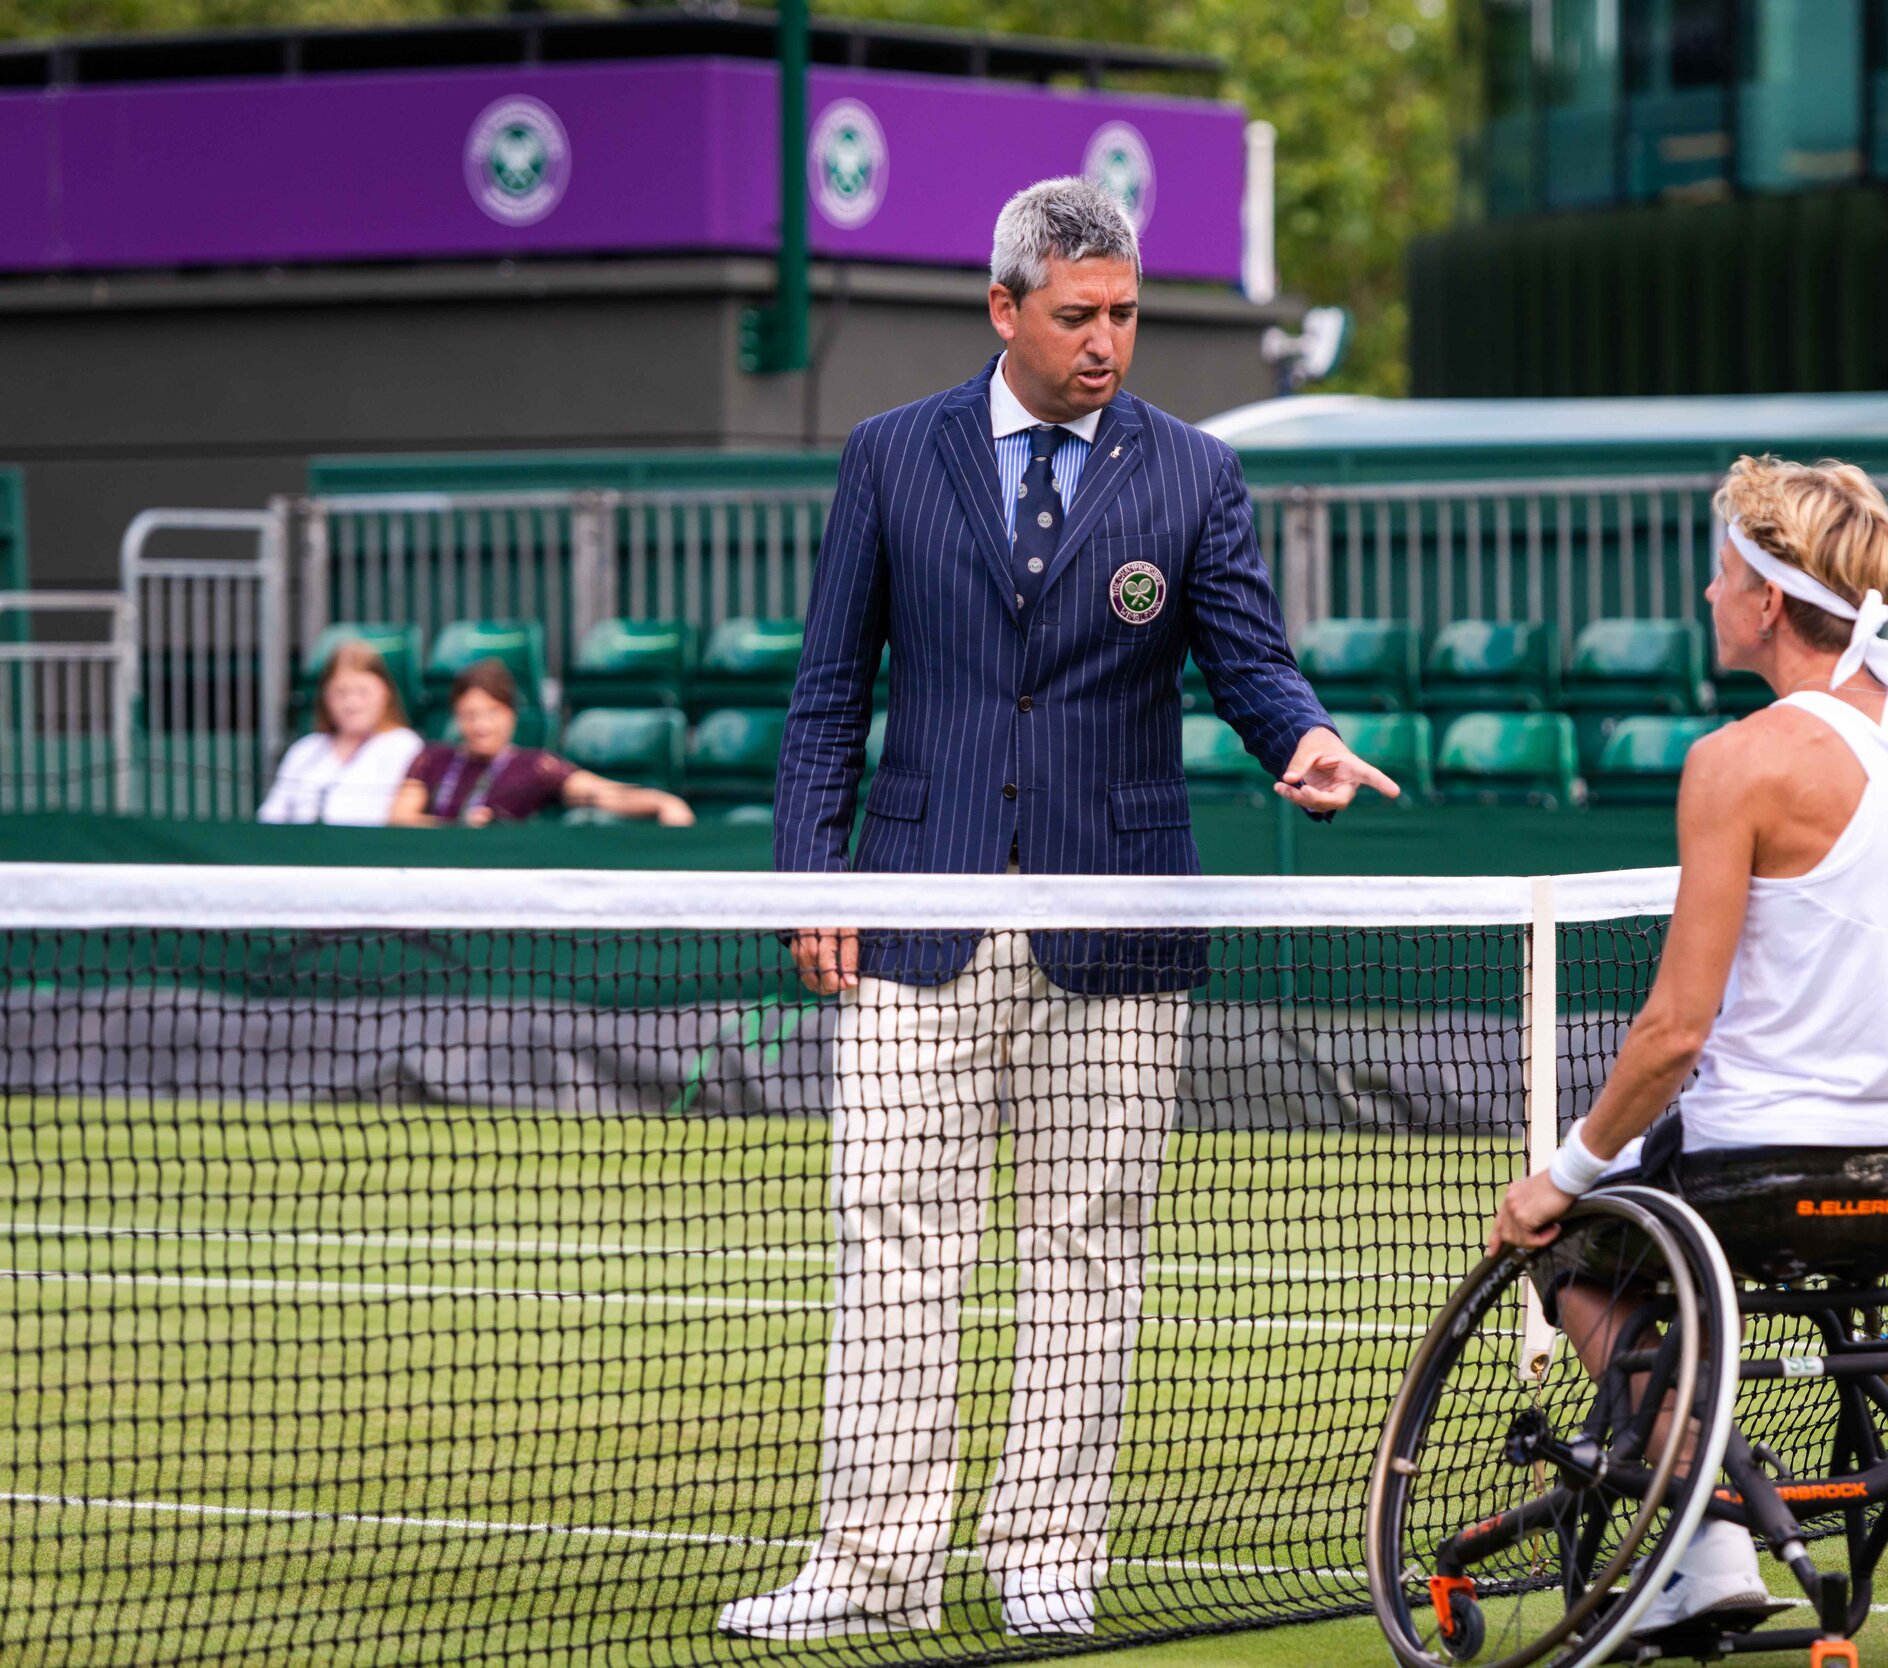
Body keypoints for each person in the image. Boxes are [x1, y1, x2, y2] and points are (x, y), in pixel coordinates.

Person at [722, 177, 1398, 1643]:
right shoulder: (890, 458)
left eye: (1127, 313)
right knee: (893, 1232)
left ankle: (1046, 1558)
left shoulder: (1196, 472)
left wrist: (1304, 741)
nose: (1108, 341)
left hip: (1121, 919)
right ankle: (874, 1563)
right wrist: (808, 875)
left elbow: (1249, 660)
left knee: (1089, 1242)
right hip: (919, 904)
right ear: (1005, 308)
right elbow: (831, 691)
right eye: (1080, 315)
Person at [1487, 455, 1888, 1640]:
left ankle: (1700, 1535)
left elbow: (1675, 1032)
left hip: (1752, 1183)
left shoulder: (1737, 763)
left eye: (1723, 575)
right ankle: (1703, 1492)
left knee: (1568, 1256)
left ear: (1767, 602)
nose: (1710, 595)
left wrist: (1558, 1179)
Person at [387, 658, 693, 827]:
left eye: (492, 713)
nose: (481, 725)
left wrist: (664, 801)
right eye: (470, 714)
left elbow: (600, 794)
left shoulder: (536, 766)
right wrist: (460, 829)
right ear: (456, 716)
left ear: (512, 715)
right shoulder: (431, 758)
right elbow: (400, 818)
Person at [258, 641, 425, 826]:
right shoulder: (305, 748)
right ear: (325, 697)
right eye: (340, 692)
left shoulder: (404, 745)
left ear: (385, 693)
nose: (351, 704)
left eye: (363, 692)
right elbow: (271, 814)